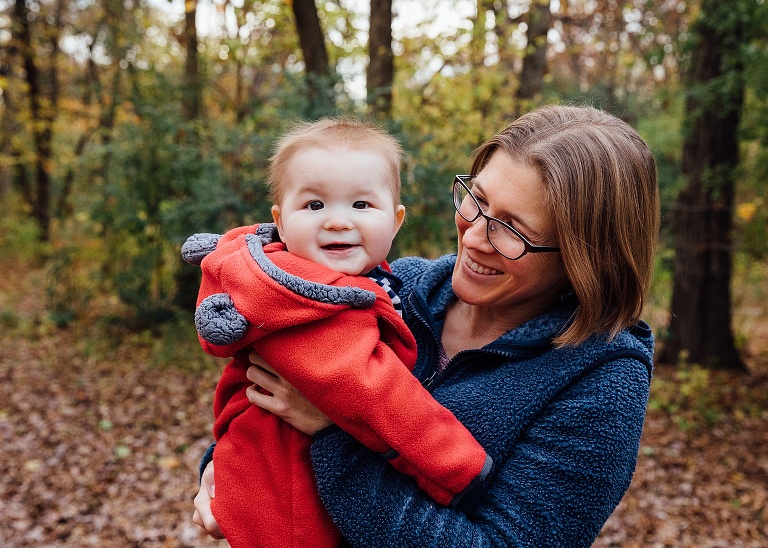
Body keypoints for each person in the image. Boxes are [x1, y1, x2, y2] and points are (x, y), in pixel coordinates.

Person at [194, 104, 660, 546]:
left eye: (512, 229)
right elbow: (261, 393)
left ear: (583, 258)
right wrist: (221, 475)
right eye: (477, 201)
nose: (474, 238)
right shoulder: (399, 288)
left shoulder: (599, 382)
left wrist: (336, 432)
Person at [183, 118, 491, 548]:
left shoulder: (373, 282)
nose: (337, 222)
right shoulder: (311, 301)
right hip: (286, 501)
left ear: (396, 221)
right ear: (281, 223)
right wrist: (460, 468)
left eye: (361, 205)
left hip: (278, 478)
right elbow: (378, 396)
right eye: (314, 206)